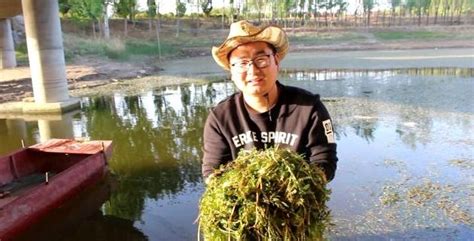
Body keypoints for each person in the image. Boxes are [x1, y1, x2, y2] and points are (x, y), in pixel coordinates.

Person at [202, 20, 338, 183]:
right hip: (244, 205)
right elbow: (212, 172)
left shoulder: (309, 109)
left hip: (298, 205)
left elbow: (325, 162)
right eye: (242, 63)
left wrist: (296, 188)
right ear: (231, 72)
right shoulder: (220, 118)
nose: (253, 70)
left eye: (261, 59)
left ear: (276, 62)